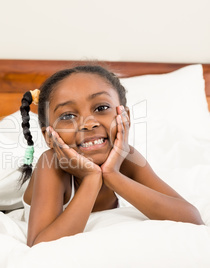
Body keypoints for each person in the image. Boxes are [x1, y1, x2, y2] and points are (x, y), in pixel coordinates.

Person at [19, 65, 204, 247]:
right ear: (49, 137)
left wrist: (112, 175)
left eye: (101, 108)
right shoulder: (52, 164)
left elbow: (192, 220)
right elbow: (39, 246)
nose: (89, 124)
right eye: (68, 116)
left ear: (125, 117)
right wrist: (92, 178)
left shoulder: (127, 158)